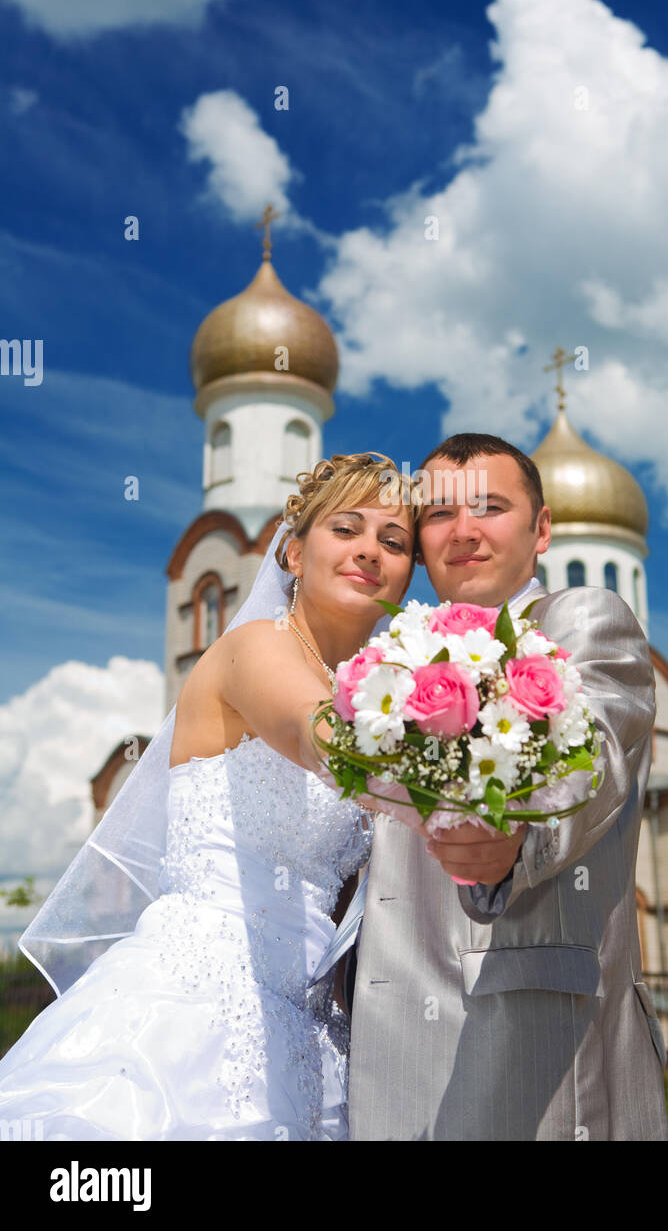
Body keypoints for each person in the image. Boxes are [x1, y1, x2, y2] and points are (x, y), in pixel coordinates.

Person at [0, 452, 426, 1140]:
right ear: (292, 551)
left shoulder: (381, 693)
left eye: (394, 541)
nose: (370, 551)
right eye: (346, 529)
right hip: (192, 1000)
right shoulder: (252, 648)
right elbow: (324, 739)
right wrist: (471, 761)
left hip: (311, 1023)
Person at [346, 433, 668, 1141]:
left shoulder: (580, 620)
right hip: (377, 1049)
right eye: (438, 515)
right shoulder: (384, 661)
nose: (463, 531)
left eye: (490, 508)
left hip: (532, 1045)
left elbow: (594, 760)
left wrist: (515, 839)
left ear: (542, 529)